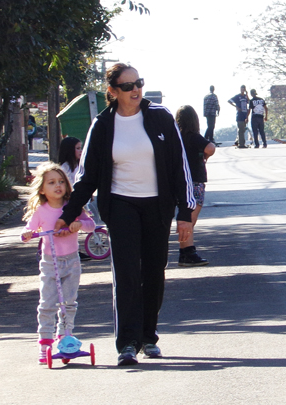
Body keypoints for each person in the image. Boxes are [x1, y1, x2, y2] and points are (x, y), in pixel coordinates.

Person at [53, 63, 195, 366]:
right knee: (127, 273)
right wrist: (68, 213)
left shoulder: (160, 117)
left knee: (154, 271)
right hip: (121, 205)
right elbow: (87, 176)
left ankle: (148, 336)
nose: (136, 90)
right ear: (113, 91)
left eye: (139, 83)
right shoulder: (102, 125)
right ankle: (127, 343)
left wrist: (185, 211)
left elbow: (179, 166)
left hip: (157, 205)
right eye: (128, 86)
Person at [20, 162, 95, 364]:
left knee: (69, 301)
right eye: (52, 182)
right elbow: (28, 231)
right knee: (48, 303)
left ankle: (66, 337)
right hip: (49, 262)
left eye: (61, 181)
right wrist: (28, 234)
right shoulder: (41, 211)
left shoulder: (72, 208)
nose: (58, 186)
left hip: (71, 260)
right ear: (42, 189)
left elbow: (91, 225)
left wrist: (79, 223)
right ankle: (45, 342)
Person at [175, 105, 216, 266]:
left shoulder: (177, 137)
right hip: (195, 180)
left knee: (187, 216)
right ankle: (187, 251)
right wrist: (205, 155)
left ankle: (186, 250)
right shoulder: (193, 136)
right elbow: (211, 148)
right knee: (190, 217)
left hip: (180, 179)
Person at [58, 136, 92, 261]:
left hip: (77, 201)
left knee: (75, 226)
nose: (80, 151)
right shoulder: (65, 168)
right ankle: (70, 250)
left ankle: (75, 250)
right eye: (77, 148)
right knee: (69, 226)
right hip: (67, 202)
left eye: (81, 148)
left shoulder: (78, 166)